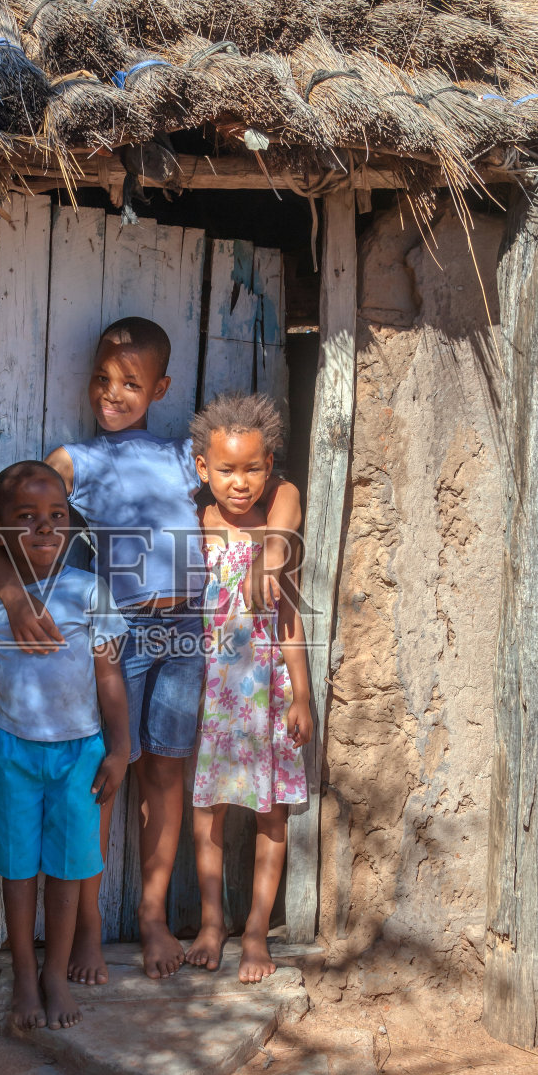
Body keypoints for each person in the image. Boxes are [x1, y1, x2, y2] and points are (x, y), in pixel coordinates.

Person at [0, 318, 302, 983]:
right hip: (121, 633)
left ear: (159, 388)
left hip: (186, 632)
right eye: (102, 378)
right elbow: (0, 535)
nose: (112, 392)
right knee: (107, 774)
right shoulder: (76, 460)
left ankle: (152, 917)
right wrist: (13, 599)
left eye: (130, 382)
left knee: (164, 773)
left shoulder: (182, 456)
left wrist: (274, 546)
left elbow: (283, 489)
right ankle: (89, 932)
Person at [0, 461, 130, 1030]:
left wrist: (119, 748)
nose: (45, 527)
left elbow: (110, 676)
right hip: (13, 751)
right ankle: (24, 974)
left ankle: (55, 974)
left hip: (78, 753)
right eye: (27, 517)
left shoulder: (88, 591)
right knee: (17, 870)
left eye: (57, 515)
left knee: (67, 870)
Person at [185, 392, 312, 984]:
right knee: (207, 810)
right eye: (227, 470)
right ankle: (213, 923)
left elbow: (289, 618)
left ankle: (257, 931)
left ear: (270, 467)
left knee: (271, 814)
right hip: (212, 691)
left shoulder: (273, 529)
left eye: (253, 469)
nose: (240, 483)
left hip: (266, 693)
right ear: (203, 468)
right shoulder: (197, 524)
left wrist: (302, 695)